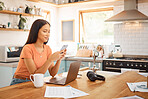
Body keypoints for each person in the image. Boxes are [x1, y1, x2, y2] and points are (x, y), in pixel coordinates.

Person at [10, 19, 66, 85]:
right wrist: (50, 59)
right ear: (36, 32)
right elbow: (34, 76)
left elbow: (53, 73)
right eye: (45, 31)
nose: (48, 34)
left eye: (49, 32)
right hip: (20, 82)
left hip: (35, 82)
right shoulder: (27, 48)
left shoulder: (47, 48)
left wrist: (59, 59)